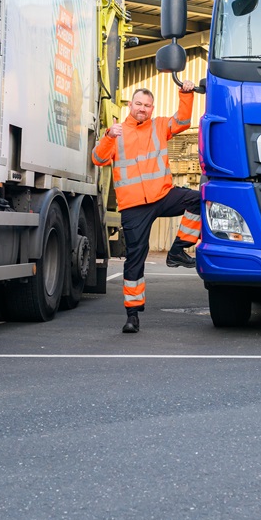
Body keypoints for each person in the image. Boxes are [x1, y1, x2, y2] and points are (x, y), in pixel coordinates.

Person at [92, 84, 202, 333]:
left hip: (162, 195)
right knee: (135, 260)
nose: (143, 109)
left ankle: (178, 250)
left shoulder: (160, 125)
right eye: (139, 104)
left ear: (153, 109)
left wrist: (185, 93)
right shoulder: (116, 132)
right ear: (130, 105)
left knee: (198, 200)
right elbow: (98, 159)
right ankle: (132, 315)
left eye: (147, 105)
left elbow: (183, 120)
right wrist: (109, 136)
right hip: (133, 206)